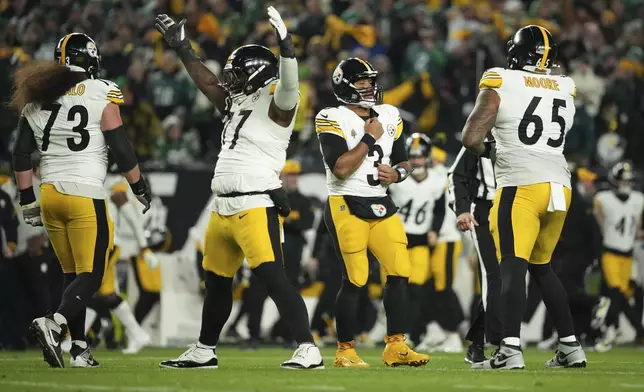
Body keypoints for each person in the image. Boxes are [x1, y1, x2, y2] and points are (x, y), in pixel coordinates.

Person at [155, 8, 323, 370]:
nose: (229, 79)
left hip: (255, 202)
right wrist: (184, 49)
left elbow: (290, 86)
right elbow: (209, 83)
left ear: (259, 74)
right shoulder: (238, 101)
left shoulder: (279, 104)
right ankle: (205, 349)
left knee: (272, 276)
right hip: (223, 205)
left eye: (237, 73)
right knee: (216, 282)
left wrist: (287, 49)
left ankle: (308, 348)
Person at [11, 32, 151, 368]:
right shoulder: (101, 89)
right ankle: (54, 323)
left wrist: (28, 199)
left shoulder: (38, 94)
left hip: (49, 194)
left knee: (70, 272)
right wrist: (139, 184)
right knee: (93, 272)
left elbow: (20, 154)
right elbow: (118, 144)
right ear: (91, 58)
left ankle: (80, 349)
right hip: (84, 192)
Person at [462, 25, 587, 369]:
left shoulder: (500, 79)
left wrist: (493, 151)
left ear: (516, 52)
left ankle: (510, 350)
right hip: (559, 186)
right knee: (543, 267)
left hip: (520, 184)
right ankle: (570, 346)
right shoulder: (565, 85)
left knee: (512, 267)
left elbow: (471, 137)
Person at [316, 57, 429, 368]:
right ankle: (345, 351)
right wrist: (369, 138)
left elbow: (405, 161)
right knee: (355, 278)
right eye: (362, 81)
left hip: (380, 201)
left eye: (370, 80)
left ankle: (396, 346)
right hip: (345, 201)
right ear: (345, 85)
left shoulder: (390, 115)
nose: (369, 86)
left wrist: (397, 175)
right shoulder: (331, 116)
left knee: (400, 271)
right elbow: (340, 168)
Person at [388, 133, 445, 346]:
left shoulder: (437, 182)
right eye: (412, 156)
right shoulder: (397, 181)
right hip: (398, 240)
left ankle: (414, 335)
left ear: (427, 157)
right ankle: (398, 334)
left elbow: (439, 211)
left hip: (421, 240)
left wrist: (435, 230)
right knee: (397, 289)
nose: (416, 161)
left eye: (420, 156)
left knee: (417, 290)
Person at [449, 146, 501, 364]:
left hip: (519, 210)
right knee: (495, 278)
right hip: (486, 211)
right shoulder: (480, 136)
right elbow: (456, 174)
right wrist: (461, 208)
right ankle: (503, 343)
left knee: (508, 279)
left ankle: (479, 342)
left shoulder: (523, 134)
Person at [593, 161, 644, 351]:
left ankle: (616, 332)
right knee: (615, 292)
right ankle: (619, 332)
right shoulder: (603, 199)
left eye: (628, 181)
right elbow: (599, 225)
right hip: (610, 252)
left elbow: (637, 227)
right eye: (623, 181)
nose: (626, 184)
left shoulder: (638, 199)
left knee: (618, 295)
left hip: (628, 253)